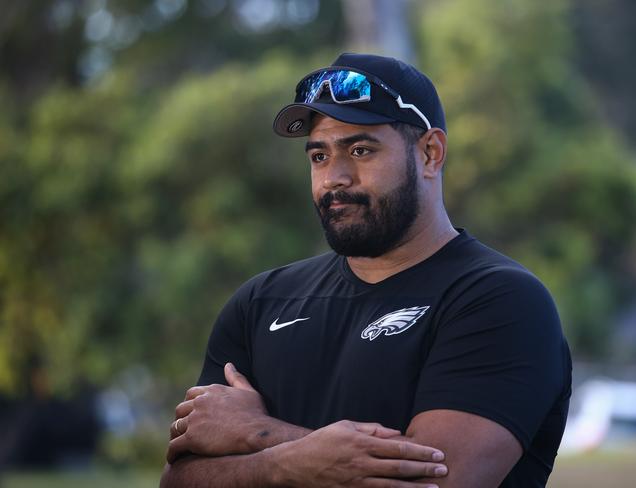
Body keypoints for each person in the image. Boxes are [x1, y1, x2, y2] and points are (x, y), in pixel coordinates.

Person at [159, 53, 572, 488]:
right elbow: (179, 479)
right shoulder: (262, 302)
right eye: (318, 156)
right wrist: (279, 463)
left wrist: (258, 435)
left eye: (360, 150)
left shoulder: (499, 300)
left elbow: (431, 483)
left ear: (430, 153)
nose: (334, 177)